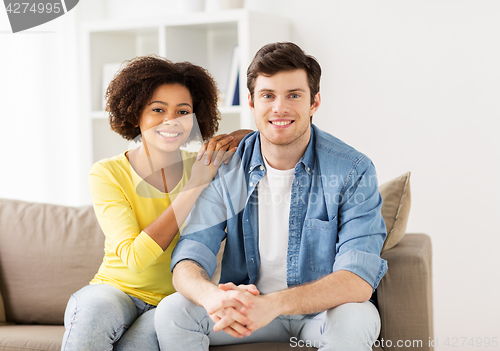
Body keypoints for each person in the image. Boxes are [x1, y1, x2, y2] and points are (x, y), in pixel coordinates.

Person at [154, 42, 388, 351]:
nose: (279, 108)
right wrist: (215, 298)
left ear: (314, 102)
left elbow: (357, 279)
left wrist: (274, 304)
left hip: (323, 313)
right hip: (247, 309)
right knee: (173, 311)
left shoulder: (352, 170)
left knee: (356, 320)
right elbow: (188, 259)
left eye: (294, 95)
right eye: (268, 96)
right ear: (251, 102)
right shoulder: (227, 168)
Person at [61, 55, 251, 351]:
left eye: (183, 111)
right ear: (136, 113)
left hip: (173, 302)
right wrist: (195, 184)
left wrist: (238, 137)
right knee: (93, 312)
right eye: (158, 109)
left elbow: (266, 140)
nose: (171, 120)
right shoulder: (107, 172)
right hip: (114, 292)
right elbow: (136, 257)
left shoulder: (206, 166)